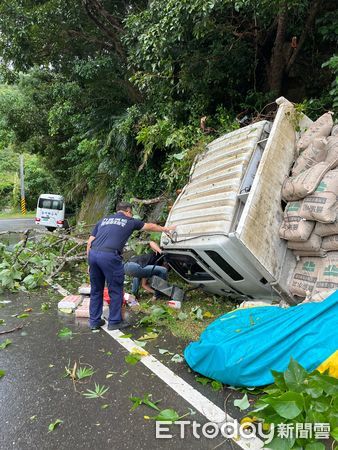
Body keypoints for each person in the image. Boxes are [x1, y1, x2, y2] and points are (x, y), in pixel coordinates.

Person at [86, 202, 176, 331]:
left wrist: (90, 263)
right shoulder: (129, 221)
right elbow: (149, 226)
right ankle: (114, 321)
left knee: (96, 290)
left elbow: (89, 242)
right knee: (115, 289)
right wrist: (166, 229)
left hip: (93, 254)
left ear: (117, 211)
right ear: (128, 211)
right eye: (131, 212)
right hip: (110, 256)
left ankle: (94, 321)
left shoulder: (103, 220)